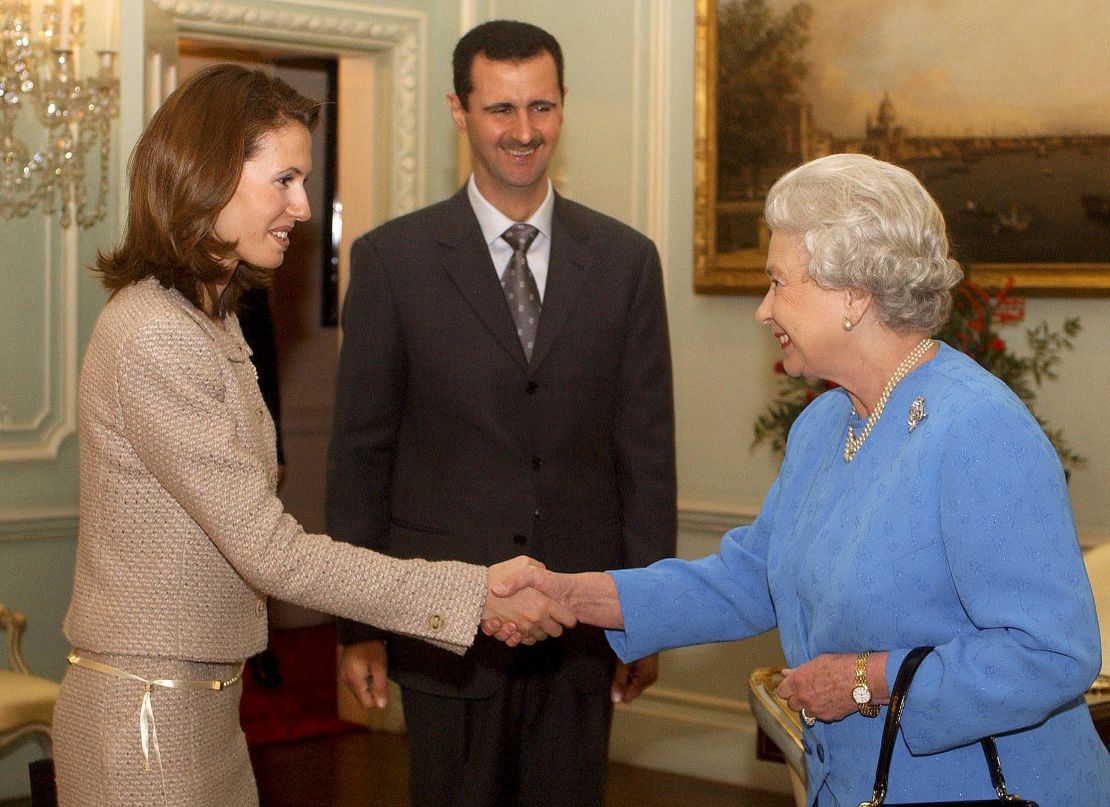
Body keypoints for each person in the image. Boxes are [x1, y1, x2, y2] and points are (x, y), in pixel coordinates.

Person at [491, 153, 1109, 804]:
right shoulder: (825, 424)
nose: (763, 310)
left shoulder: (978, 427)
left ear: (854, 294)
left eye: (778, 282)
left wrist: (866, 679)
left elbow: (1052, 653)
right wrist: (570, 594)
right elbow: (750, 576)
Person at [52, 63, 572, 807]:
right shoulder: (153, 335)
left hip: (199, 706)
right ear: (209, 175)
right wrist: (471, 591)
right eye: (285, 179)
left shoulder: (212, 322)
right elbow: (270, 550)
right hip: (144, 719)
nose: (301, 205)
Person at [325, 19, 676, 807]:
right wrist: (359, 624)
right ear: (459, 109)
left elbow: (646, 450)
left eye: (542, 109)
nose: (524, 132)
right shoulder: (392, 262)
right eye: (500, 110)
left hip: (583, 624)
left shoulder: (625, 262)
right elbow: (360, 456)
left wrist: (647, 613)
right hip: (445, 627)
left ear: (562, 109)